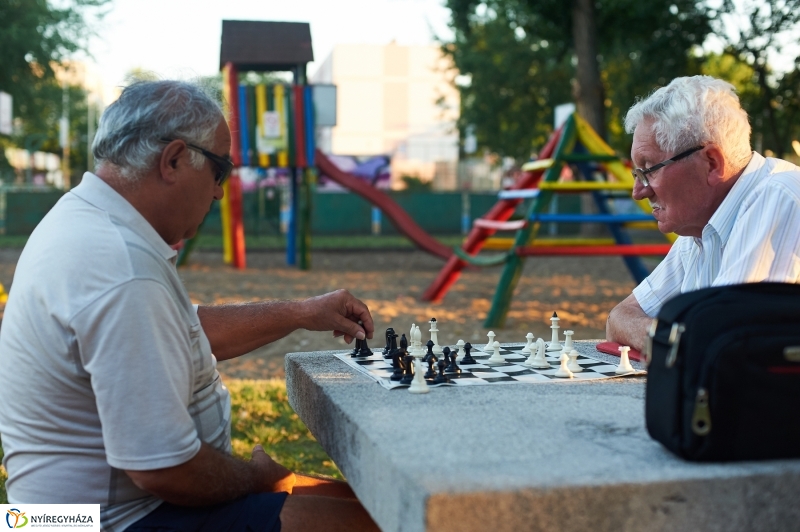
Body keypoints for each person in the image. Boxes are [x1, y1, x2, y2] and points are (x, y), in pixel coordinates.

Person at [0, 80, 379, 532]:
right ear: (174, 159)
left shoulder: (85, 220)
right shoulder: (122, 267)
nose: (219, 193)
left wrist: (302, 312)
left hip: (42, 517)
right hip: (108, 519)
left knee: (365, 506)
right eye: (219, 170)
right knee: (389, 522)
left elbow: (173, 334)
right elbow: (163, 469)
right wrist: (257, 478)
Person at [606, 75, 800, 352]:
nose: (638, 191)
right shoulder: (699, 227)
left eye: (649, 170)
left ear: (711, 163)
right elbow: (619, 318)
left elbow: (723, 343)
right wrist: (671, 339)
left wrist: (666, 340)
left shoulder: (780, 198)